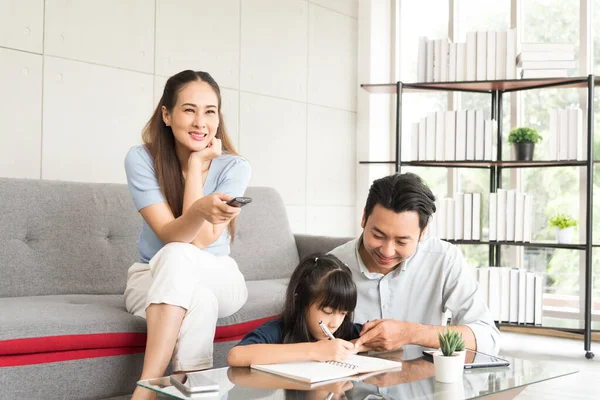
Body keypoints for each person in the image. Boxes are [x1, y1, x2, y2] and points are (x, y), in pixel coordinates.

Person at [123, 70, 252, 400]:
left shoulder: (235, 167)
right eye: (189, 109)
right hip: (149, 276)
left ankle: (146, 388)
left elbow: (201, 242)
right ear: (167, 114)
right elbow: (170, 235)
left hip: (218, 274)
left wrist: (197, 166)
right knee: (200, 301)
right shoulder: (141, 159)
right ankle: (200, 395)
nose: (201, 122)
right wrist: (197, 176)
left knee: (182, 258)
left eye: (210, 111)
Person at [329, 173, 500, 354]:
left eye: (402, 242)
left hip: (424, 379)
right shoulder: (331, 268)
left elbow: (487, 338)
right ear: (364, 217)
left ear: (422, 232)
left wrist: (411, 333)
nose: (387, 251)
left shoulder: (442, 259)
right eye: (378, 236)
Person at [227, 254, 369, 367]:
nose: (335, 323)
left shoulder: (343, 329)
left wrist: (356, 346)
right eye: (327, 311)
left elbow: (372, 338)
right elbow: (236, 356)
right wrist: (315, 350)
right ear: (301, 300)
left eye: (343, 313)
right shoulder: (279, 330)